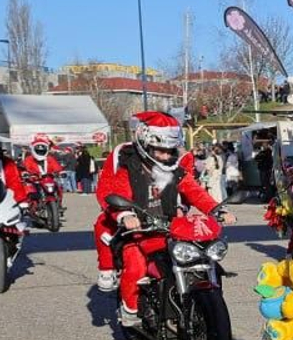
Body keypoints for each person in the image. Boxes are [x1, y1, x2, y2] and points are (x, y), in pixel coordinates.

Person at [93, 112, 234, 328]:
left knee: (202, 257)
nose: (166, 155)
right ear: (145, 144)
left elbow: (194, 191)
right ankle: (130, 311)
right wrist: (126, 215)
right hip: (138, 231)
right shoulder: (129, 166)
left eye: (170, 150)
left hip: (170, 229)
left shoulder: (176, 169)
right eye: (160, 150)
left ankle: (201, 308)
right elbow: (115, 192)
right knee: (135, 266)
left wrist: (217, 210)